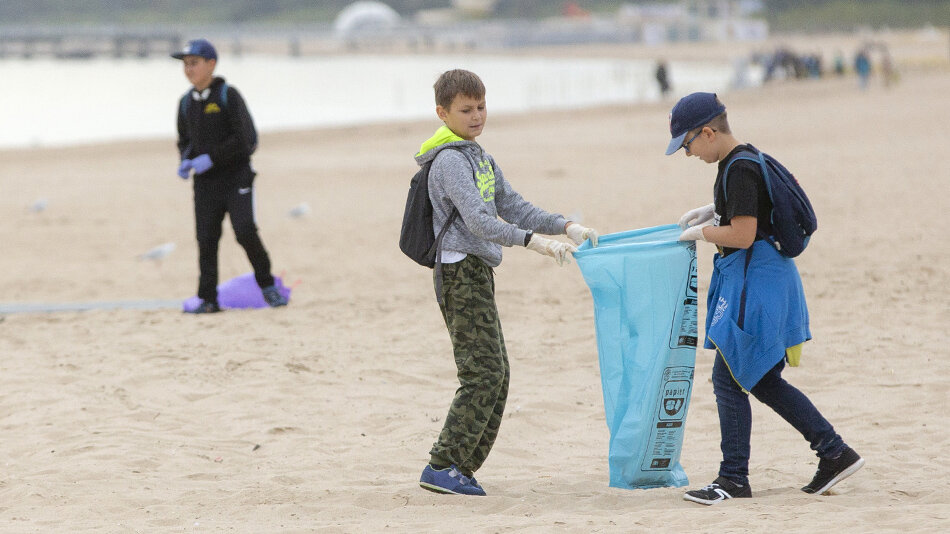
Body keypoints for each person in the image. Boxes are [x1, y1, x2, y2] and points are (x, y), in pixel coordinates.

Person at [667, 92, 863, 505]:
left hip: (758, 283)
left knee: (733, 377)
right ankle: (833, 452)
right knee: (756, 378)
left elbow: (741, 234)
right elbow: (748, 215)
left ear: (707, 132)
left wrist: (700, 233)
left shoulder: (737, 169)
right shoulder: (744, 158)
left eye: (687, 145)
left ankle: (735, 479)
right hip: (767, 280)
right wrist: (712, 212)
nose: (688, 154)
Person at [416, 69, 599, 496]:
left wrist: (564, 225)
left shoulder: (479, 156)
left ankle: (462, 466)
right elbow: (480, 221)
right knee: (482, 372)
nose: (476, 115)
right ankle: (442, 465)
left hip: (479, 270)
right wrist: (532, 242)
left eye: (481, 106)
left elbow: (512, 204)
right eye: (466, 109)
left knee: (498, 371)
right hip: (458, 271)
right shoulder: (448, 162)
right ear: (443, 114)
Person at [172, 39, 287, 313]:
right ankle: (208, 299)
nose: (189, 69)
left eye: (194, 63)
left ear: (211, 64)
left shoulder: (228, 96)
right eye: (186, 65)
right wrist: (185, 161)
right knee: (206, 239)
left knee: (245, 231)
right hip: (205, 184)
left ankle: (268, 286)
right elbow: (184, 140)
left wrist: (212, 157)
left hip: (236, 178)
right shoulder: (186, 103)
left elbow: (247, 140)